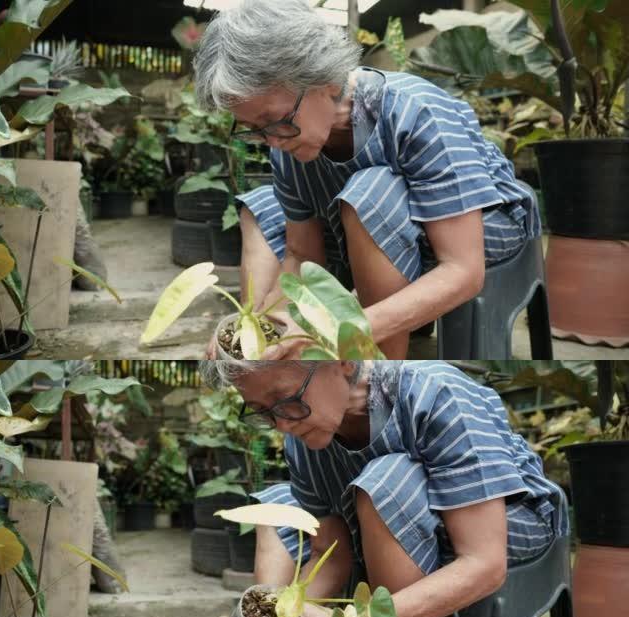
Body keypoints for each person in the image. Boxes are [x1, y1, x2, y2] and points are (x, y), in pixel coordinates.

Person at [202, 360, 567, 617]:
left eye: (285, 400)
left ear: (342, 362)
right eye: (262, 412)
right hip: (387, 527)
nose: (281, 423)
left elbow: (485, 565)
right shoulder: (301, 440)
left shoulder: (433, 392)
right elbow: (329, 555)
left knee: (385, 483)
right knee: (279, 504)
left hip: (507, 525)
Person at [193, 0, 540, 359]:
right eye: (253, 130)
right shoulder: (285, 145)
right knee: (263, 204)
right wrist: (274, 322)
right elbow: (300, 254)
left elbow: (464, 271)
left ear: (324, 80)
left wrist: (337, 332)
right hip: (367, 227)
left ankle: (380, 370)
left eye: (276, 119)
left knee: (370, 194)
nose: (272, 140)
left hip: (483, 230)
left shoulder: (413, 111)